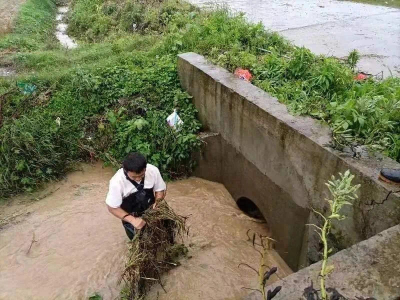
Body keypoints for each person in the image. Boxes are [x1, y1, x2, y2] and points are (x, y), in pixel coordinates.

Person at [106, 152, 167, 239]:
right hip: (130, 216)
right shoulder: (117, 182)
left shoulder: (153, 170)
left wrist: (157, 203)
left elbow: (159, 189)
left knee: (162, 236)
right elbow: (112, 207)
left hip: (151, 212)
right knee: (139, 242)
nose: (138, 179)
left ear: (145, 168)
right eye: (134, 177)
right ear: (125, 171)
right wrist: (132, 220)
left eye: (141, 175)